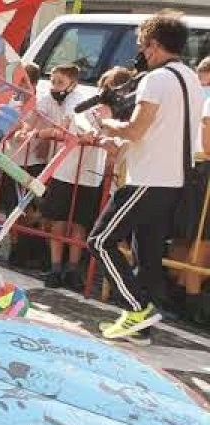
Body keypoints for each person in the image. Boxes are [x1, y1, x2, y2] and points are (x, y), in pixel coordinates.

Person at [82, 11, 203, 344]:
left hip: (149, 178)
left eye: (142, 45)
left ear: (153, 44)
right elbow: (161, 131)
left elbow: (136, 130)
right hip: (174, 180)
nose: (141, 53)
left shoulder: (157, 79)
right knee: (146, 255)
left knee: (100, 240)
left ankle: (137, 308)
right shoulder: (191, 78)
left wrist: (106, 124)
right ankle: (140, 329)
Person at [33, 64, 106, 291]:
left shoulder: (89, 103)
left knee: (79, 223)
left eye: (60, 82)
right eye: (53, 81)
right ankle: (56, 267)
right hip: (65, 170)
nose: (55, 87)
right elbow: (69, 124)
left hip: (88, 173)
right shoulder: (77, 103)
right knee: (59, 219)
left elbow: (73, 125)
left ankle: (71, 269)